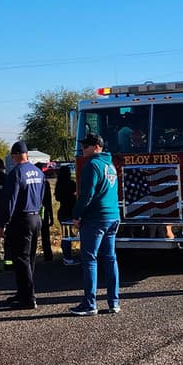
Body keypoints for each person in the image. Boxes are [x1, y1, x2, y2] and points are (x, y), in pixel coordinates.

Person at [70, 134, 121, 315]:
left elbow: (87, 195)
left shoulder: (92, 165)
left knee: (90, 259)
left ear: (96, 147)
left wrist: (77, 214)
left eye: (86, 146)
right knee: (110, 258)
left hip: (96, 218)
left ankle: (90, 303)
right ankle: (113, 302)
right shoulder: (110, 165)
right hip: (113, 216)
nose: (83, 149)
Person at [2, 141, 46, 309]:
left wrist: (4, 222)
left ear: (14, 155)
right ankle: (23, 292)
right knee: (30, 259)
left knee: (21, 259)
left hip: (21, 220)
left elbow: (10, 201)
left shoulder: (16, 173)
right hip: (35, 218)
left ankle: (28, 298)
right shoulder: (38, 172)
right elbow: (41, 196)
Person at [55, 164, 79, 265]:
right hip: (71, 212)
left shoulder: (58, 185)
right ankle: (69, 257)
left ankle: (67, 256)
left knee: (66, 236)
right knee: (72, 235)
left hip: (62, 212)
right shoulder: (72, 184)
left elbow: (57, 198)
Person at [40, 175, 55, 263]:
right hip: (44, 210)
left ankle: (30, 255)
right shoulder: (45, 183)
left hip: (33, 211)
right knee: (45, 234)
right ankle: (48, 254)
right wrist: (51, 216)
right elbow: (48, 201)